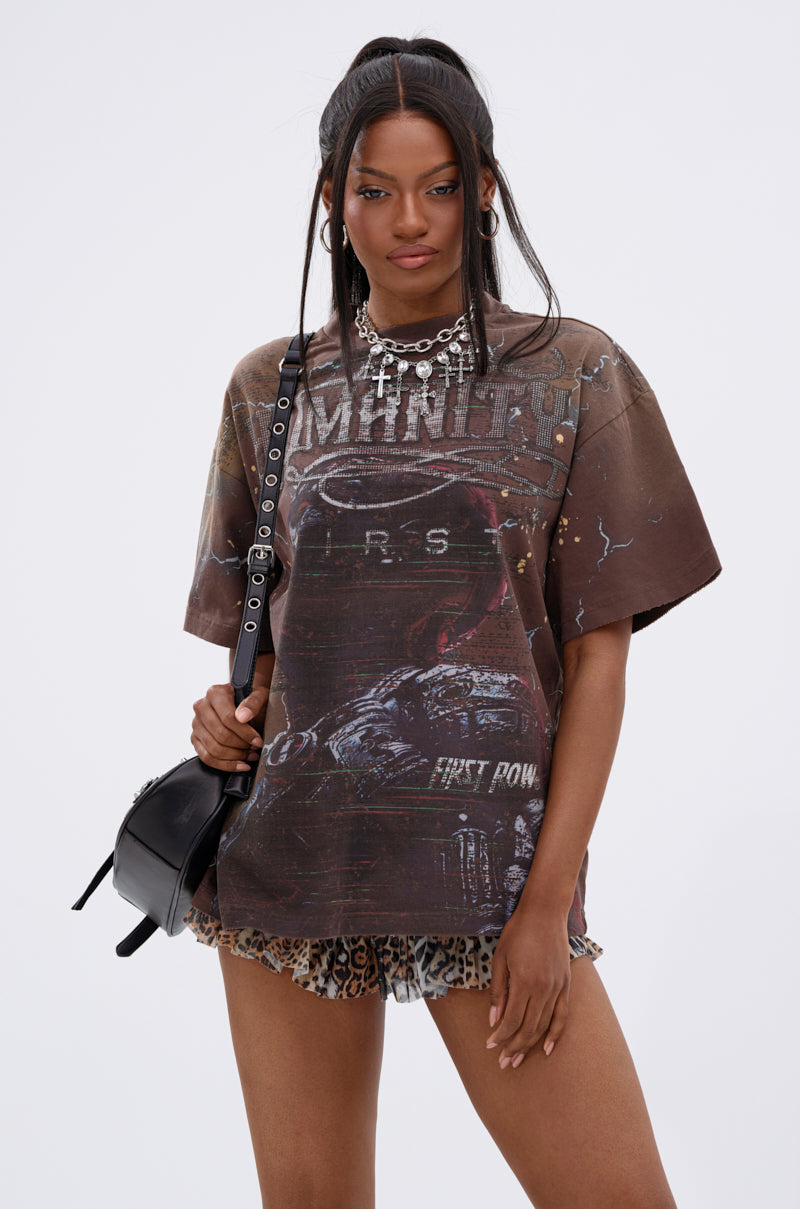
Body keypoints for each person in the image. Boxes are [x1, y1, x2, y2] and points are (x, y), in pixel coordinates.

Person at [183, 36, 721, 1209]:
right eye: (373, 191)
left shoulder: (572, 374)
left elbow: (596, 660)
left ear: (481, 187)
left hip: (489, 883)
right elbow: (265, 658)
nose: (408, 221)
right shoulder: (269, 389)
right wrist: (226, 716)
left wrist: (545, 906)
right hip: (291, 865)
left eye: (436, 186)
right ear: (332, 201)